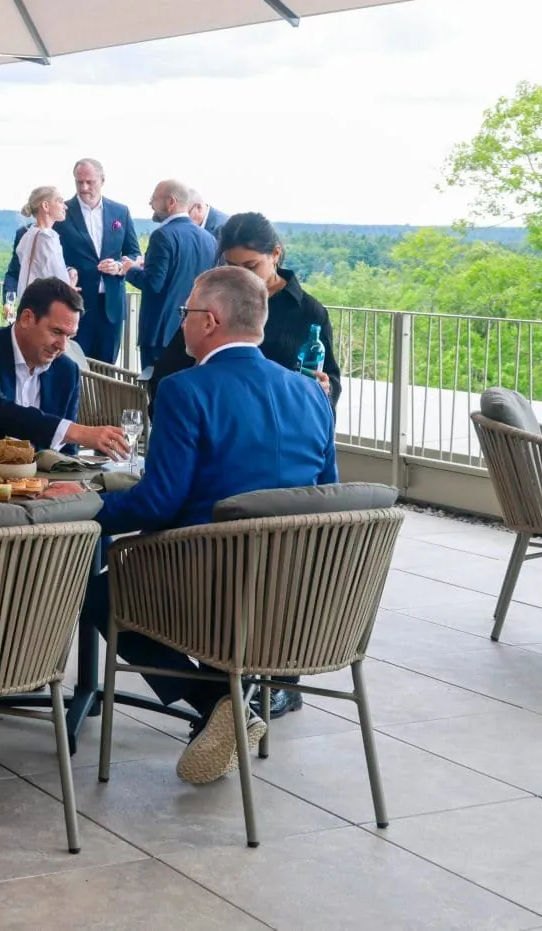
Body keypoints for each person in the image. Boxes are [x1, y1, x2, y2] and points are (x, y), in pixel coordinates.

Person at [87, 267, 338, 786]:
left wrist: (89, 511)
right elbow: (328, 495)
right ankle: (228, 708)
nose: (181, 324)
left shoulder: (185, 389)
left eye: (185, 314)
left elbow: (158, 504)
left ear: (210, 321)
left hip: (209, 587)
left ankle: (218, 701)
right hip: (298, 592)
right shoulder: (311, 393)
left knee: (96, 593)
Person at [149, 213, 343, 405]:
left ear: (275, 254)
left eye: (251, 267)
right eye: (232, 267)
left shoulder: (309, 312)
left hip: (280, 421)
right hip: (218, 420)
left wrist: (326, 389)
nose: (242, 276)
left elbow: (330, 379)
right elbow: (168, 369)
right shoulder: (212, 302)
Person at [0, 277, 132, 456]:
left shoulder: (67, 372)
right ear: (26, 319)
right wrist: (76, 431)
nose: (62, 345)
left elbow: (66, 454)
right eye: (56, 331)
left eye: (70, 336)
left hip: (40, 485)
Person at [115, 179, 217, 371]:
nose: (150, 204)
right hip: (195, 332)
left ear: (171, 202)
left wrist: (130, 269)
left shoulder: (162, 236)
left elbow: (154, 284)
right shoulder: (209, 239)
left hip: (160, 333)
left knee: (157, 393)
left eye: (154, 199)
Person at [57, 158, 142, 364]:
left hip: (111, 306)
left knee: (107, 369)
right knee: (74, 368)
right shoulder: (62, 212)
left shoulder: (120, 211)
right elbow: (54, 254)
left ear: (102, 180)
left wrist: (120, 266)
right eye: (79, 182)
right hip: (76, 304)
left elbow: (134, 252)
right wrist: (68, 270)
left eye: (90, 182)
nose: (84, 188)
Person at [14, 185, 72, 291]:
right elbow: (60, 283)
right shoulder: (48, 237)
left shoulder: (28, 235)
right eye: (60, 201)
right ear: (45, 206)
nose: (65, 206)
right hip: (45, 304)